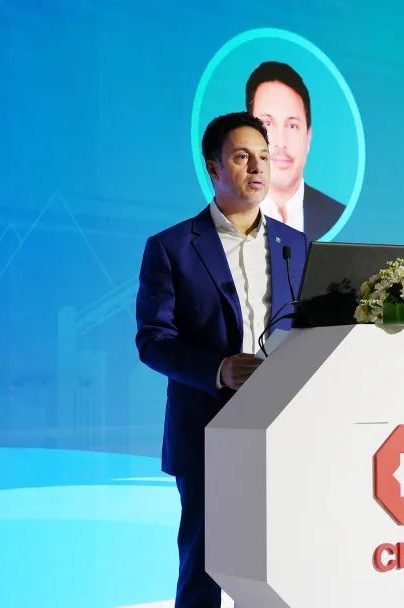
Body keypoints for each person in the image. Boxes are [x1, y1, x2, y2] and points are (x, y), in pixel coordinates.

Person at [135, 111, 308, 607]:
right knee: (205, 572)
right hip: (206, 432)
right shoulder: (172, 247)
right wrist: (218, 369)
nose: (257, 168)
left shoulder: (295, 246)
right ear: (213, 168)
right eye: (241, 157)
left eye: (263, 157)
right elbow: (153, 340)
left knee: (280, 569)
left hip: (282, 430)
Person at [246, 61, 345, 241]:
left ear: (308, 137)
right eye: (267, 124)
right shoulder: (224, 218)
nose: (281, 142)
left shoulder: (337, 216)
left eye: (292, 126)